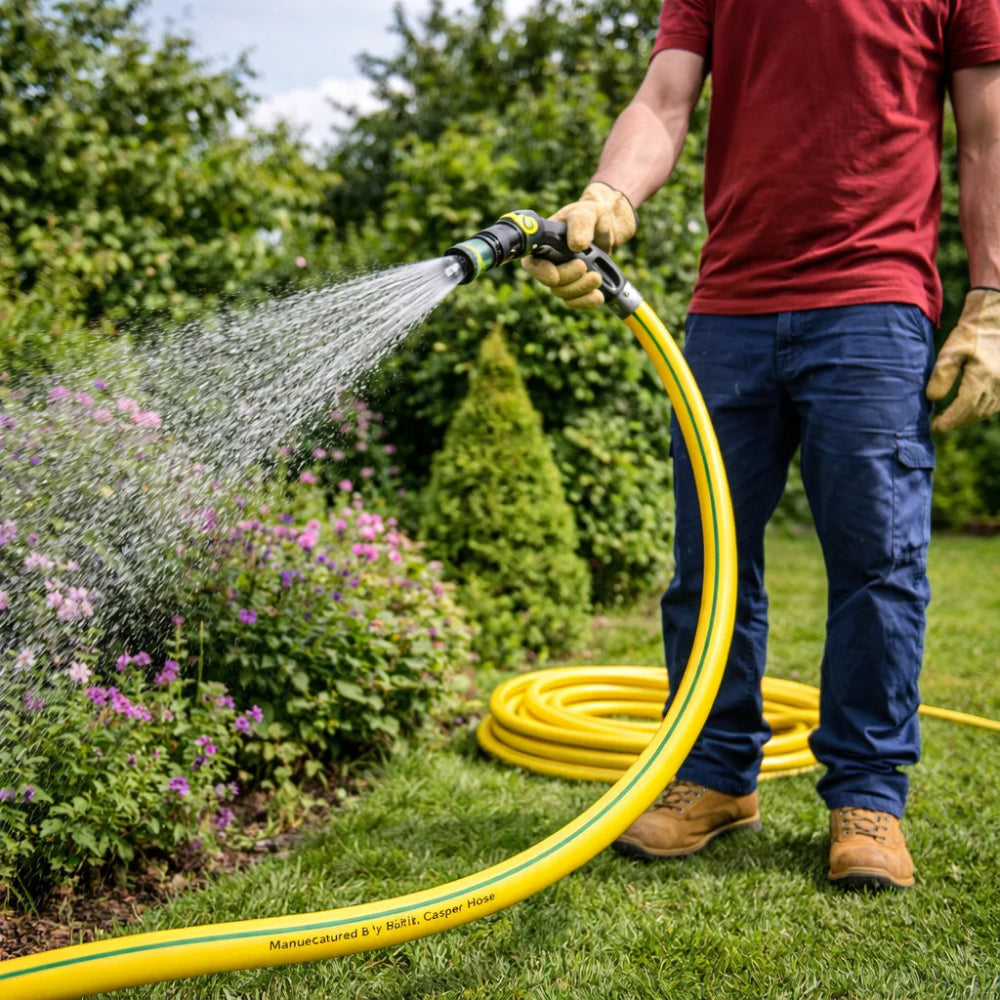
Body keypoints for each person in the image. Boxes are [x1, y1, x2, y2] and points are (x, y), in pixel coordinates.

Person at [522, 0, 1000, 890]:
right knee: (709, 562)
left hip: (872, 300)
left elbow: (987, 135)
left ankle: (868, 797)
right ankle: (711, 774)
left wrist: (992, 296)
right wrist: (608, 192)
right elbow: (664, 103)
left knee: (876, 561)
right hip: (730, 307)